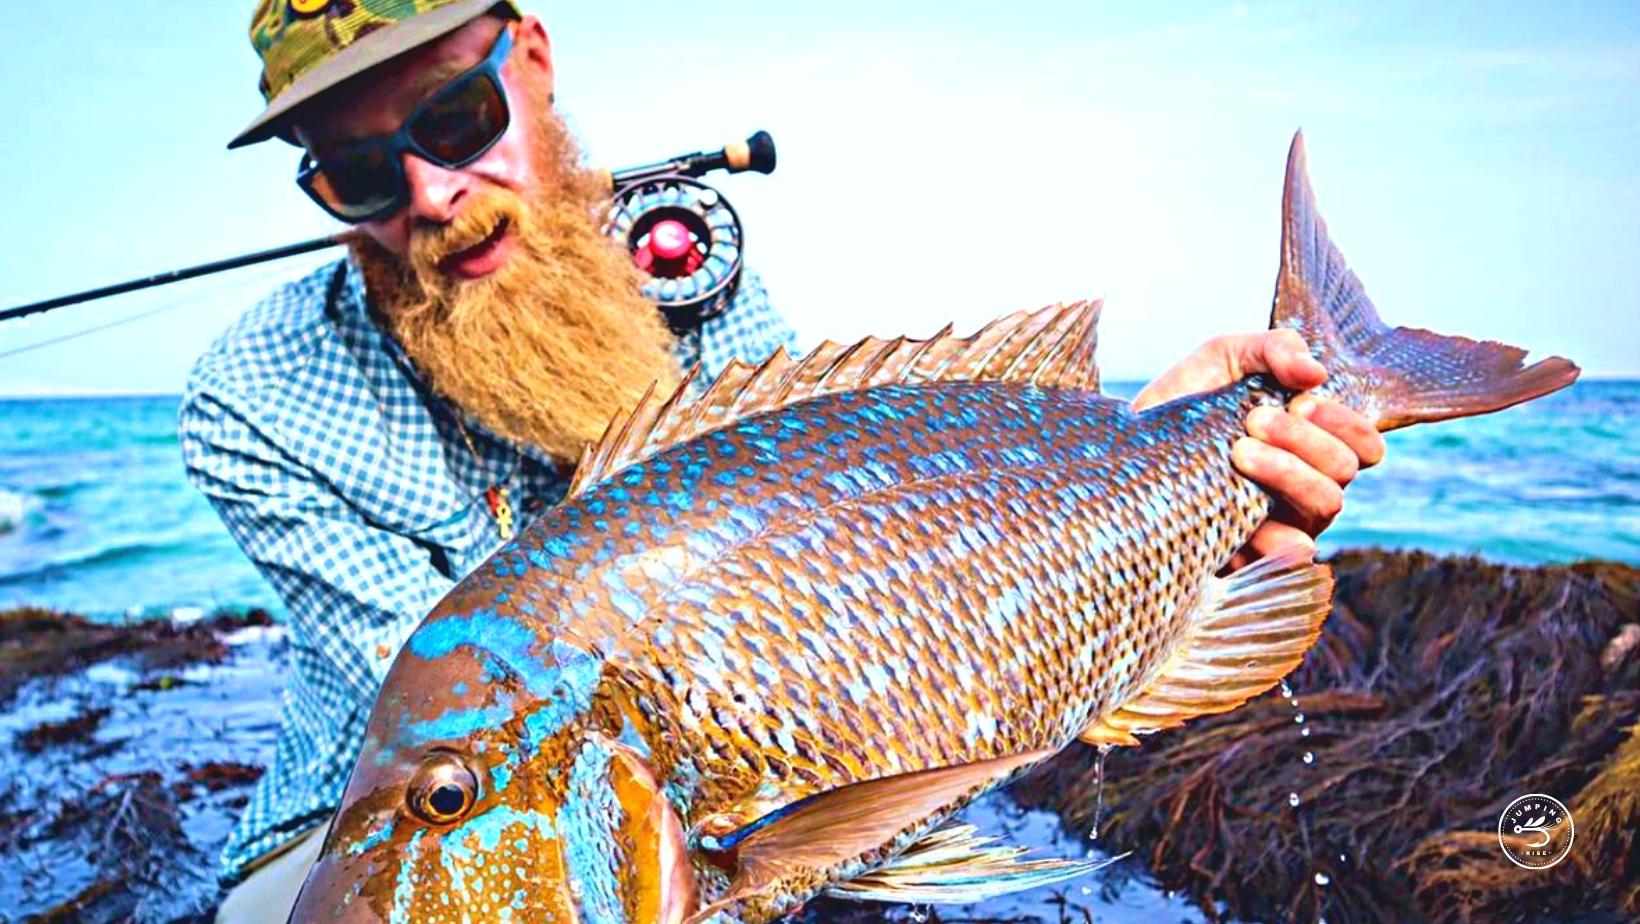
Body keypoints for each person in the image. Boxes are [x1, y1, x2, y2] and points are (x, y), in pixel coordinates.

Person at [180, 2, 1386, 920]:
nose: (435, 193)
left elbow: (859, 513)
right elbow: (482, 698)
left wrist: (1163, 461)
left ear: (530, 61)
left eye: (454, 121)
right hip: (364, 830)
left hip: (674, 804)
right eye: (359, 173)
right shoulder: (251, 398)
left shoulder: (688, 266)